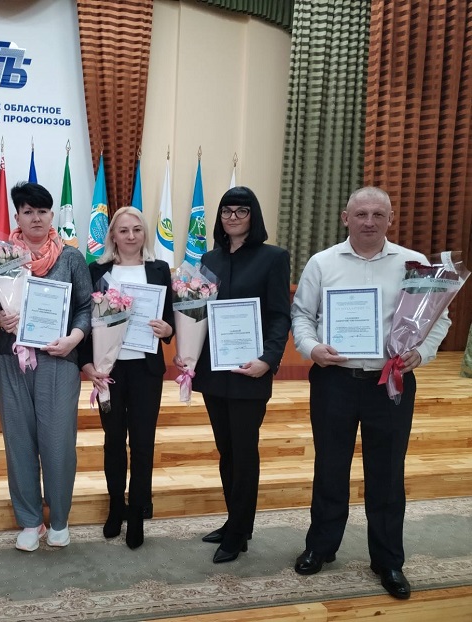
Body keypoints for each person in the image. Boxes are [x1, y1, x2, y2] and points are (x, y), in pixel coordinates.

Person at [291, 186, 451, 599]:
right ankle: (320, 546)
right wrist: (312, 348)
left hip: (390, 383)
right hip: (334, 381)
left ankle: (388, 561)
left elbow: (440, 318)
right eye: (361, 214)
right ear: (346, 218)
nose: (369, 222)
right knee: (330, 468)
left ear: (390, 219)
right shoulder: (322, 263)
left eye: (378, 215)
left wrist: (422, 352)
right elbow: (302, 315)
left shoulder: (414, 264)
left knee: (387, 474)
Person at [0, 182, 92, 552]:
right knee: (18, 441)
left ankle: (59, 519)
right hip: (9, 357)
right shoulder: (0, 257)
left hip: (58, 359)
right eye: (28, 211)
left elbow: (85, 306)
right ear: (17, 216)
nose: (36, 218)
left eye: (42, 211)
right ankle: (31, 521)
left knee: (58, 442)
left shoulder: (71, 258)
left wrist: (74, 339)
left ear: (52, 215)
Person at [188, 186, 291, 564]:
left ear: (253, 216)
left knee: (244, 453)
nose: (232, 217)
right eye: (226, 211)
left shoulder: (273, 257)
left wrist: (269, 359)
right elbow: (197, 312)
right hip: (215, 371)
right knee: (227, 450)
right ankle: (236, 522)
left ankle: (238, 532)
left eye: (241, 211)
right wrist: (187, 352)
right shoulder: (208, 258)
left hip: (251, 370)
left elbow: (280, 315)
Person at [80, 206, 174, 549]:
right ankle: (114, 506)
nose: (131, 235)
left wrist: (167, 330)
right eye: (123, 230)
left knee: (143, 443)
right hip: (109, 372)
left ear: (145, 233)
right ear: (113, 236)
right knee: (114, 441)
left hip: (146, 371)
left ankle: (137, 512)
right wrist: (86, 365)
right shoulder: (97, 270)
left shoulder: (159, 270)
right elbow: (84, 319)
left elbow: (171, 318)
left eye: (137, 229)